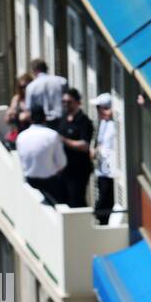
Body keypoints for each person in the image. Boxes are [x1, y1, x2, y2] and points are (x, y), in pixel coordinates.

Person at [15, 105, 66, 204]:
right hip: (51, 183)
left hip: (29, 181)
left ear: (30, 119)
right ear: (45, 118)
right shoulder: (52, 135)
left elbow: (22, 161)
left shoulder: (21, 136)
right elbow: (62, 163)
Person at [57, 88, 94, 208]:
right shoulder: (63, 119)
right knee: (64, 199)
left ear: (78, 102)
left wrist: (64, 140)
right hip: (64, 169)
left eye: (69, 102)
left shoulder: (83, 121)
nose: (66, 104)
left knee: (76, 199)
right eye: (64, 102)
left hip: (79, 169)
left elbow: (84, 145)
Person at [91, 93, 117, 224]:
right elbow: (101, 143)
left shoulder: (115, 125)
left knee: (104, 204)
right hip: (101, 170)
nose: (98, 111)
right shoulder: (103, 123)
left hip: (110, 172)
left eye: (99, 107)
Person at [24, 59, 67, 125]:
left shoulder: (31, 87)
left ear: (34, 70)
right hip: (61, 121)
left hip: (43, 123)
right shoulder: (61, 81)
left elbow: (28, 109)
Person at [5, 73, 33, 139]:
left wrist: (28, 116)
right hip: (20, 135)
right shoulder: (16, 99)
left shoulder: (36, 98)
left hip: (33, 135)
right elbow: (7, 120)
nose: (24, 89)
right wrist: (9, 115)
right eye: (21, 87)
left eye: (26, 86)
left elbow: (42, 119)